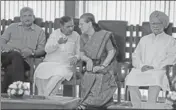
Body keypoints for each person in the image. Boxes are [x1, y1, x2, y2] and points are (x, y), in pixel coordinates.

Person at [125, 10, 176, 109]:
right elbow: (135, 55)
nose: (155, 26)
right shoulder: (144, 39)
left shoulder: (171, 40)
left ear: (164, 24)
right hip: (142, 69)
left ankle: (150, 106)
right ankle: (136, 106)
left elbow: (172, 57)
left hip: (159, 70)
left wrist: (155, 67)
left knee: (155, 82)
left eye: (158, 23)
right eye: (152, 23)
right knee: (131, 78)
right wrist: (141, 66)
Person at [77, 13, 118, 109]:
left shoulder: (103, 35)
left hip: (106, 65)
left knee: (99, 76)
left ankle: (86, 104)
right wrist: (88, 60)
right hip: (91, 66)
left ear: (90, 24)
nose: (79, 26)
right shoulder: (83, 37)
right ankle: (88, 103)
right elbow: (81, 54)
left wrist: (102, 66)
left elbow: (112, 52)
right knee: (88, 76)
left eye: (81, 24)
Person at [0, 7, 46, 93]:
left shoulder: (39, 31)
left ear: (33, 17)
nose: (27, 18)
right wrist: (11, 49)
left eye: (29, 15)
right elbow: (1, 41)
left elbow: (42, 50)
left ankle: (5, 95)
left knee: (12, 67)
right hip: (7, 56)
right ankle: (19, 91)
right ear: (21, 18)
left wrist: (32, 52)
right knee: (15, 55)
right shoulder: (12, 27)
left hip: (26, 61)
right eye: (24, 16)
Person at [33, 16, 80, 96]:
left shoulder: (76, 35)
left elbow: (79, 51)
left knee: (58, 75)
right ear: (61, 26)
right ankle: (44, 96)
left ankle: (44, 97)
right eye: (68, 26)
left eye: (72, 26)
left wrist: (76, 57)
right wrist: (58, 43)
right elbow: (47, 49)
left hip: (65, 64)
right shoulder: (55, 34)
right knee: (40, 72)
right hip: (50, 62)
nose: (71, 29)